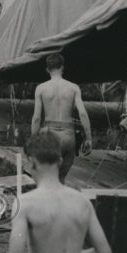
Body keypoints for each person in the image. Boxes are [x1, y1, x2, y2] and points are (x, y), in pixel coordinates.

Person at [30, 54, 93, 184]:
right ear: (62, 68)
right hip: (68, 136)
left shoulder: (41, 88)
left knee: (47, 179)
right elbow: (83, 114)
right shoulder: (73, 87)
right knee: (61, 179)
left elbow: (36, 118)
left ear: (47, 69)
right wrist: (89, 138)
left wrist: (33, 140)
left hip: (49, 136)